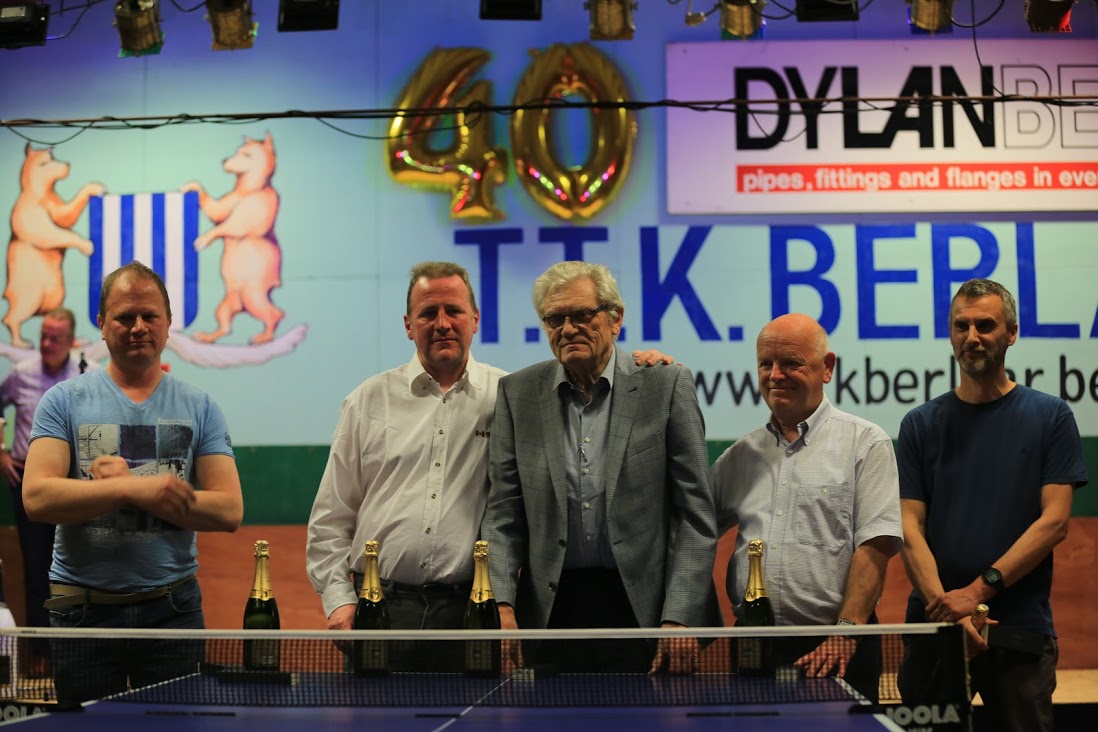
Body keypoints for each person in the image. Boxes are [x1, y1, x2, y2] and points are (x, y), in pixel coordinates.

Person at [305, 261, 672, 671]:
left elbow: (590, 380)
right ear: (408, 325)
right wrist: (339, 602)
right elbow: (330, 517)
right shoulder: (367, 401)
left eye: (454, 311)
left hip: (474, 611)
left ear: (475, 320)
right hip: (379, 608)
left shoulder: (516, 396)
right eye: (428, 313)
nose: (442, 323)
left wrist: (648, 366)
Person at [480, 260, 717, 675]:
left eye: (581, 314)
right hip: (551, 613)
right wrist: (500, 604)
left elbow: (694, 515)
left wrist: (679, 616)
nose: (568, 328)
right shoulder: (517, 394)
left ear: (615, 318)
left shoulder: (666, 384)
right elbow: (502, 513)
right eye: (554, 319)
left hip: (647, 611)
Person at [22, 261, 243, 704]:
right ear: (102, 325)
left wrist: (133, 486)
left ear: (168, 322)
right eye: (124, 317)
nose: (138, 327)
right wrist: (133, 489)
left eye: (149, 315)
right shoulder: (62, 401)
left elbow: (228, 510)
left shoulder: (200, 406)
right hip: (82, 612)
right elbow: (37, 497)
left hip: (172, 611)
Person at [896, 278, 1087, 732]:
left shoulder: (1051, 416)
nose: (972, 337)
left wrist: (975, 595)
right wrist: (948, 608)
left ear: (1012, 333)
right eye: (961, 326)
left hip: (1018, 631)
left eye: (985, 325)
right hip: (937, 630)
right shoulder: (919, 424)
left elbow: (1055, 523)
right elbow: (908, 527)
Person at [710, 313, 902, 702]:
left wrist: (846, 633)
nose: (775, 375)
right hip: (754, 647)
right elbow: (691, 533)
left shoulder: (866, 444)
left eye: (791, 363)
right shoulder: (739, 457)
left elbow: (876, 545)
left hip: (838, 646)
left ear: (826, 367)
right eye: (766, 363)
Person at [0, 308, 87, 675]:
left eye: (56, 338)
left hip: (74, 488)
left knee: (75, 570)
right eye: (44, 336)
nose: (48, 344)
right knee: (37, 571)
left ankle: (76, 654)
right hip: (27, 484)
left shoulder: (87, 376)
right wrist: (1, 451)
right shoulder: (22, 374)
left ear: (71, 340)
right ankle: (42, 657)